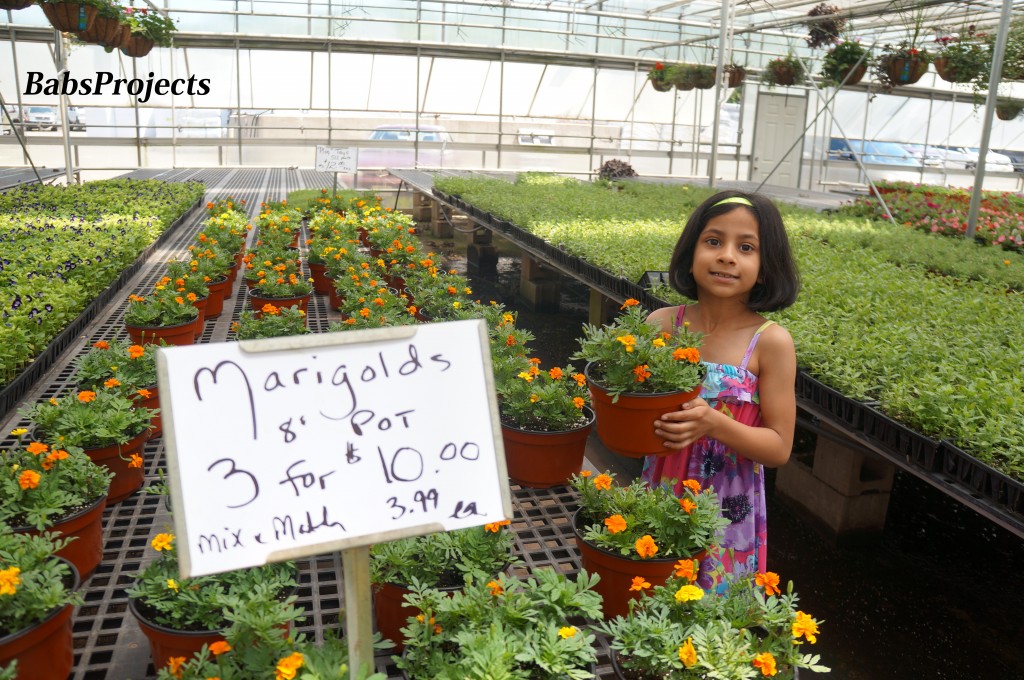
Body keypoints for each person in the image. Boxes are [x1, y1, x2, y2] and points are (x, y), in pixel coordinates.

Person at [641, 190, 800, 593]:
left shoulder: (770, 342)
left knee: (711, 615)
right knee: (649, 601)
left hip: (727, 512)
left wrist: (714, 423)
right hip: (662, 492)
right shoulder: (660, 325)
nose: (727, 255)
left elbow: (779, 448)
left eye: (746, 248)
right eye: (713, 241)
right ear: (691, 253)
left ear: (765, 268)